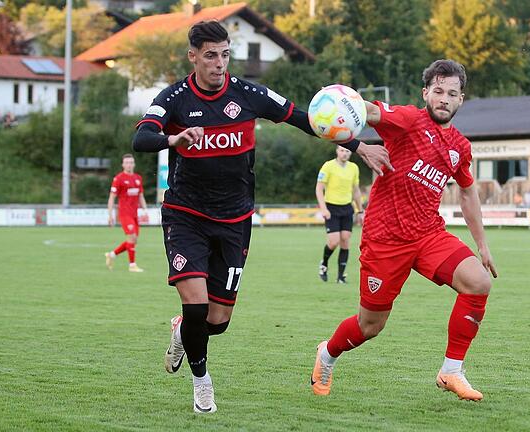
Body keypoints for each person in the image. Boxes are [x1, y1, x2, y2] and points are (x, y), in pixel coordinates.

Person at [131, 20, 391, 414]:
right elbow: (141, 136)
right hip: (186, 215)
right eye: (211, 56)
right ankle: (202, 382)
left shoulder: (248, 94)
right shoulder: (175, 98)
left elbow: (302, 118)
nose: (220, 64)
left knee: (216, 321)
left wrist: (357, 146)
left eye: (225, 54)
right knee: (197, 305)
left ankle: (183, 331)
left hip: (235, 219)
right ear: (193, 57)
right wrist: (173, 138)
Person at [310, 59, 498, 401]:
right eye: (438, 91)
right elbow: (371, 111)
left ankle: (451, 370)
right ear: (425, 93)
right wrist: (341, 100)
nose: (444, 98)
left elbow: (468, 192)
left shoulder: (459, 147)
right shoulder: (409, 120)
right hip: (385, 240)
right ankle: (327, 354)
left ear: (461, 100)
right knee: (371, 326)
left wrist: (482, 246)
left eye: (451, 93)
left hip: (428, 236)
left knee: (478, 282)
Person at [316, 146, 364, 284]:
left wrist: (360, 211)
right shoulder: (328, 166)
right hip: (331, 207)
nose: (344, 153)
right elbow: (319, 188)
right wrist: (323, 208)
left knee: (345, 239)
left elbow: (356, 191)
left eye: (347, 151)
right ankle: (324, 264)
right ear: (337, 151)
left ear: (350, 153)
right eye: (342, 150)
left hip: (347, 208)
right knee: (333, 241)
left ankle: (341, 277)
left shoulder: (354, 168)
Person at [105, 153, 147, 272]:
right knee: (132, 237)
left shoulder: (138, 178)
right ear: (123, 165)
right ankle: (132, 265)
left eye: (131, 162)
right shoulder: (119, 178)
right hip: (124, 214)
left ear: (134, 164)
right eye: (127, 163)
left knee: (132, 240)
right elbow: (112, 197)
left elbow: (141, 196)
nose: (129, 165)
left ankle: (112, 255)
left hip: (134, 214)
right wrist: (110, 215)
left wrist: (145, 210)